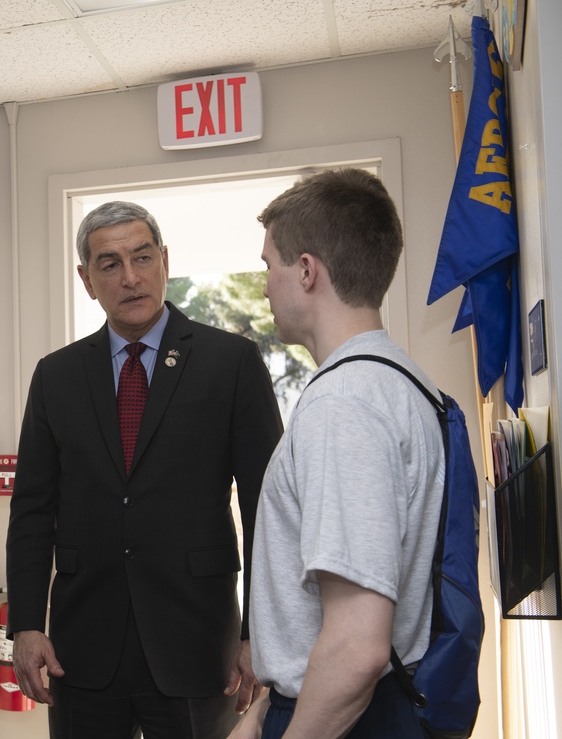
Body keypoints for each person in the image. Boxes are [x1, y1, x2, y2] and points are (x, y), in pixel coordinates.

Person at [5, 201, 283, 738]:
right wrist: (25, 625)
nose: (130, 278)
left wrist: (259, 634)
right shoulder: (56, 376)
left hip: (199, 645)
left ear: (165, 262)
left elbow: (265, 510)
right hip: (82, 649)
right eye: (109, 264)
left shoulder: (231, 363)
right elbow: (33, 511)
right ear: (87, 281)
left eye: (142, 257)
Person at [235, 168, 443, 738]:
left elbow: (357, 647)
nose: (264, 286)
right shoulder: (402, 383)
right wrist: (259, 715)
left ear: (306, 271)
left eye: (268, 266)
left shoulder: (343, 404)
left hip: (349, 719)